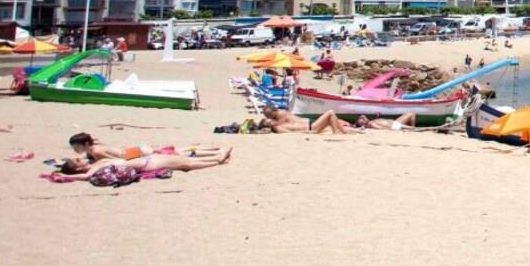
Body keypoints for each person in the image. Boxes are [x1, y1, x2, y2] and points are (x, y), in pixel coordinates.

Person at [56, 147, 232, 176]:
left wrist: (62, 171)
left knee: (183, 157)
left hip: (141, 156)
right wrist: (64, 174)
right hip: (141, 157)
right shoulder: (94, 160)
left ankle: (216, 155)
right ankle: (217, 157)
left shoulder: (95, 156)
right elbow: (85, 175)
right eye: (77, 160)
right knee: (185, 161)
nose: (77, 155)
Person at [68, 132, 223, 163]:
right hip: (136, 149)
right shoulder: (95, 146)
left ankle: (214, 153)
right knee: (178, 151)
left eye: (76, 147)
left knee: (180, 154)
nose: (75, 150)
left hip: (136, 153)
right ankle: (213, 149)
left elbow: (115, 161)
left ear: (85, 145)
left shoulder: (96, 151)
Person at [256, 107, 351, 135]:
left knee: (331, 118)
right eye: (269, 121)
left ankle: (342, 132)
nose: (270, 119)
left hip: (311, 126)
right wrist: (306, 132)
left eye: (269, 117)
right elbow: (290, 133)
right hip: (311, 127)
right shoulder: (278, 127)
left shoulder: (280, 117)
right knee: (330, 113)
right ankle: (338, 133)